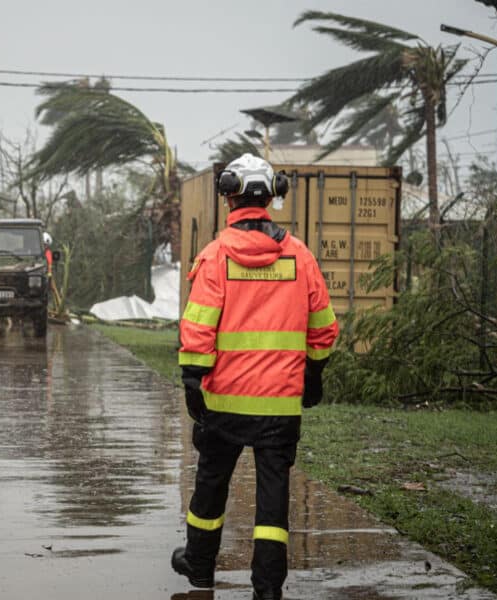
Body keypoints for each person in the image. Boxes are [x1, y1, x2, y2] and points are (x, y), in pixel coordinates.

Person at [171, 154, 339, 600]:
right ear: (273, 195)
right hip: (280, 407)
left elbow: (199, 325)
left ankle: (200, 567)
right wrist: (314, 372)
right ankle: (266, 589)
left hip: (223, 402)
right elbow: (324, 328)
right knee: (272, 497)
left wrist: (193, 378)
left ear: (229, 195)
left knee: (211, 482)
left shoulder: (216, 255)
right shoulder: (299, 256)